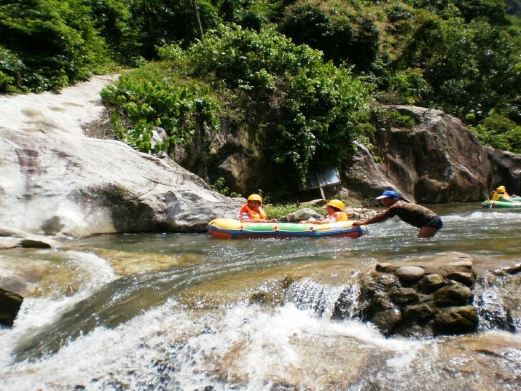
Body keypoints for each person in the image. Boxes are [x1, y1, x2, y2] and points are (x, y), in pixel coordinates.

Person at [352, 190, 442, 238]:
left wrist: (363, 223)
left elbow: (381, 218)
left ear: (394, 199)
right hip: (433, 221)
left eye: (386, 200)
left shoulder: (396, 206)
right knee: (423, 241)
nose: (383, 202)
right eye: (382, 200)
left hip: (431, 222)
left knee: (422, 242)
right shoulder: (400, 204)